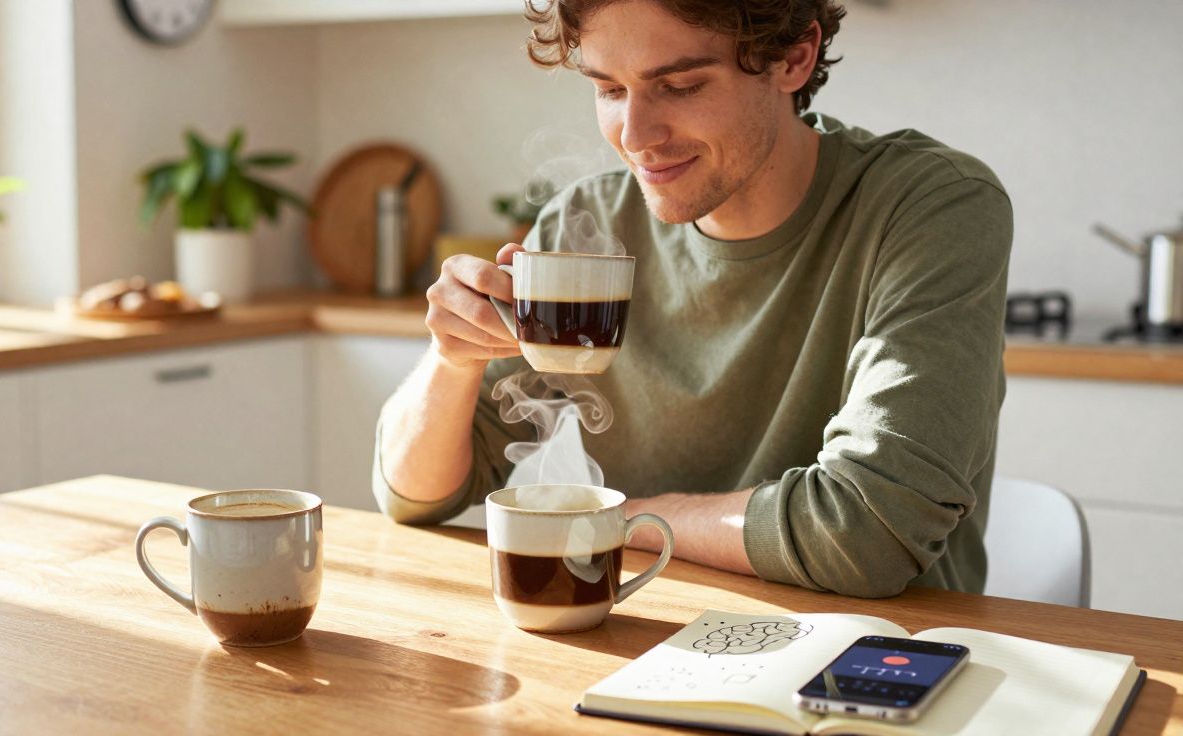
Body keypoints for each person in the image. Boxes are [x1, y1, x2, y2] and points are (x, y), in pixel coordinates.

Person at [372, 0, 1012, 598]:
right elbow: (415, 495)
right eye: (610, 90)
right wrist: (452, 360)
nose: (636, 135)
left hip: (874, 658)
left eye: (680, 86)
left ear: (794, 57)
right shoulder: (587, 221)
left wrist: (621, 521)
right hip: (650, 630)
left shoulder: (928, 206)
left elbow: (866, 535)